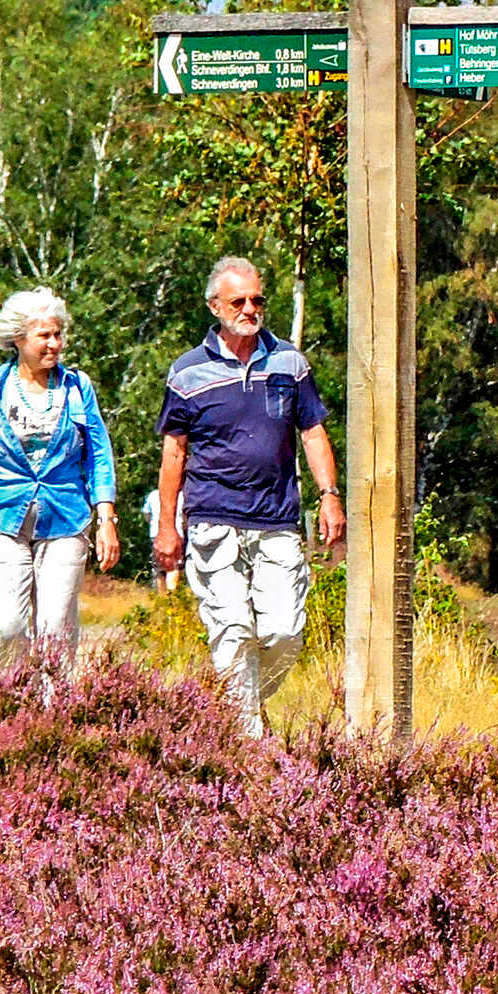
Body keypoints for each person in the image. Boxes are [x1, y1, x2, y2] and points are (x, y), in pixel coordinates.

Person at [154, 256, 344, 736]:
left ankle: (238, 706)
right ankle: (247, 740)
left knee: (284, 632)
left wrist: (329, 495)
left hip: (278, 519)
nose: (249, 308)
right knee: (232, 629)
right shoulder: (186, 373)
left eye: (257, 299)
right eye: (238, 301)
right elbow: (174, 454)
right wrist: (166, 525)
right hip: (212, 518)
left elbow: (314, 433)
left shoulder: (290, 363)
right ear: (215, 306)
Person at [0, 286, 118, 673]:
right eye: (44, 336)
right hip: (0, 517)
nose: (54, 344)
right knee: (8, 625)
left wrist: (107, 520)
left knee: (55, 628)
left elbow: (100, 457)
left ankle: (54, 716)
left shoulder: (78, 388)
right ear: (17, 339)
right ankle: (10, 705)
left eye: (58, 335)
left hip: (66, 519)